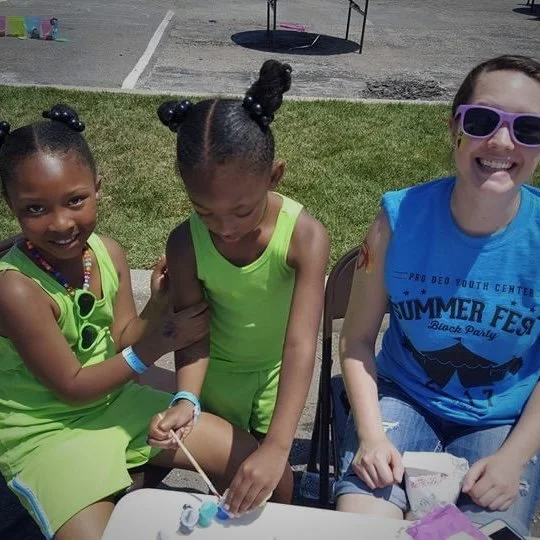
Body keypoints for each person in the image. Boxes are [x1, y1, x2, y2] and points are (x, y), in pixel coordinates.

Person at [335, 54, 540, 536]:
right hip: (402, 398)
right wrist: (368, 434)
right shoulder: (397, 218)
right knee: (361, 532)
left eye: (528, 128)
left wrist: (513, 458)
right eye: (484, 120)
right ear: (456, 127)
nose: (502, 142)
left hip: (502, 421)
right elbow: (358, 340)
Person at [0, 104, 214, 540]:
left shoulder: (106, 252)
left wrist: (158, 305)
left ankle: (126, 483)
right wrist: (159, 342)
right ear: (10, 205)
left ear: (98, 188)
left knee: (253, 462)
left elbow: (120, 340)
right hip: (45, 435)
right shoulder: (16, 289)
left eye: (75, 200)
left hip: (114, 403)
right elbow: (73, 386)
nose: (61, 223)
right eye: (35, 208)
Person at [148, 59, 330, 515]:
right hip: (213, 378)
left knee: (277, 487)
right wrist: (187, 398)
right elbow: (193, 332)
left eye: (241, 211)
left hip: (276, 379)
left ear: (274, 176)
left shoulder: (305, 237)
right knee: (196, 482)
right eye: (204, 211)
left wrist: (277, 447)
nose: (224, 228)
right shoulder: (185, 241)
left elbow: (301, 342)